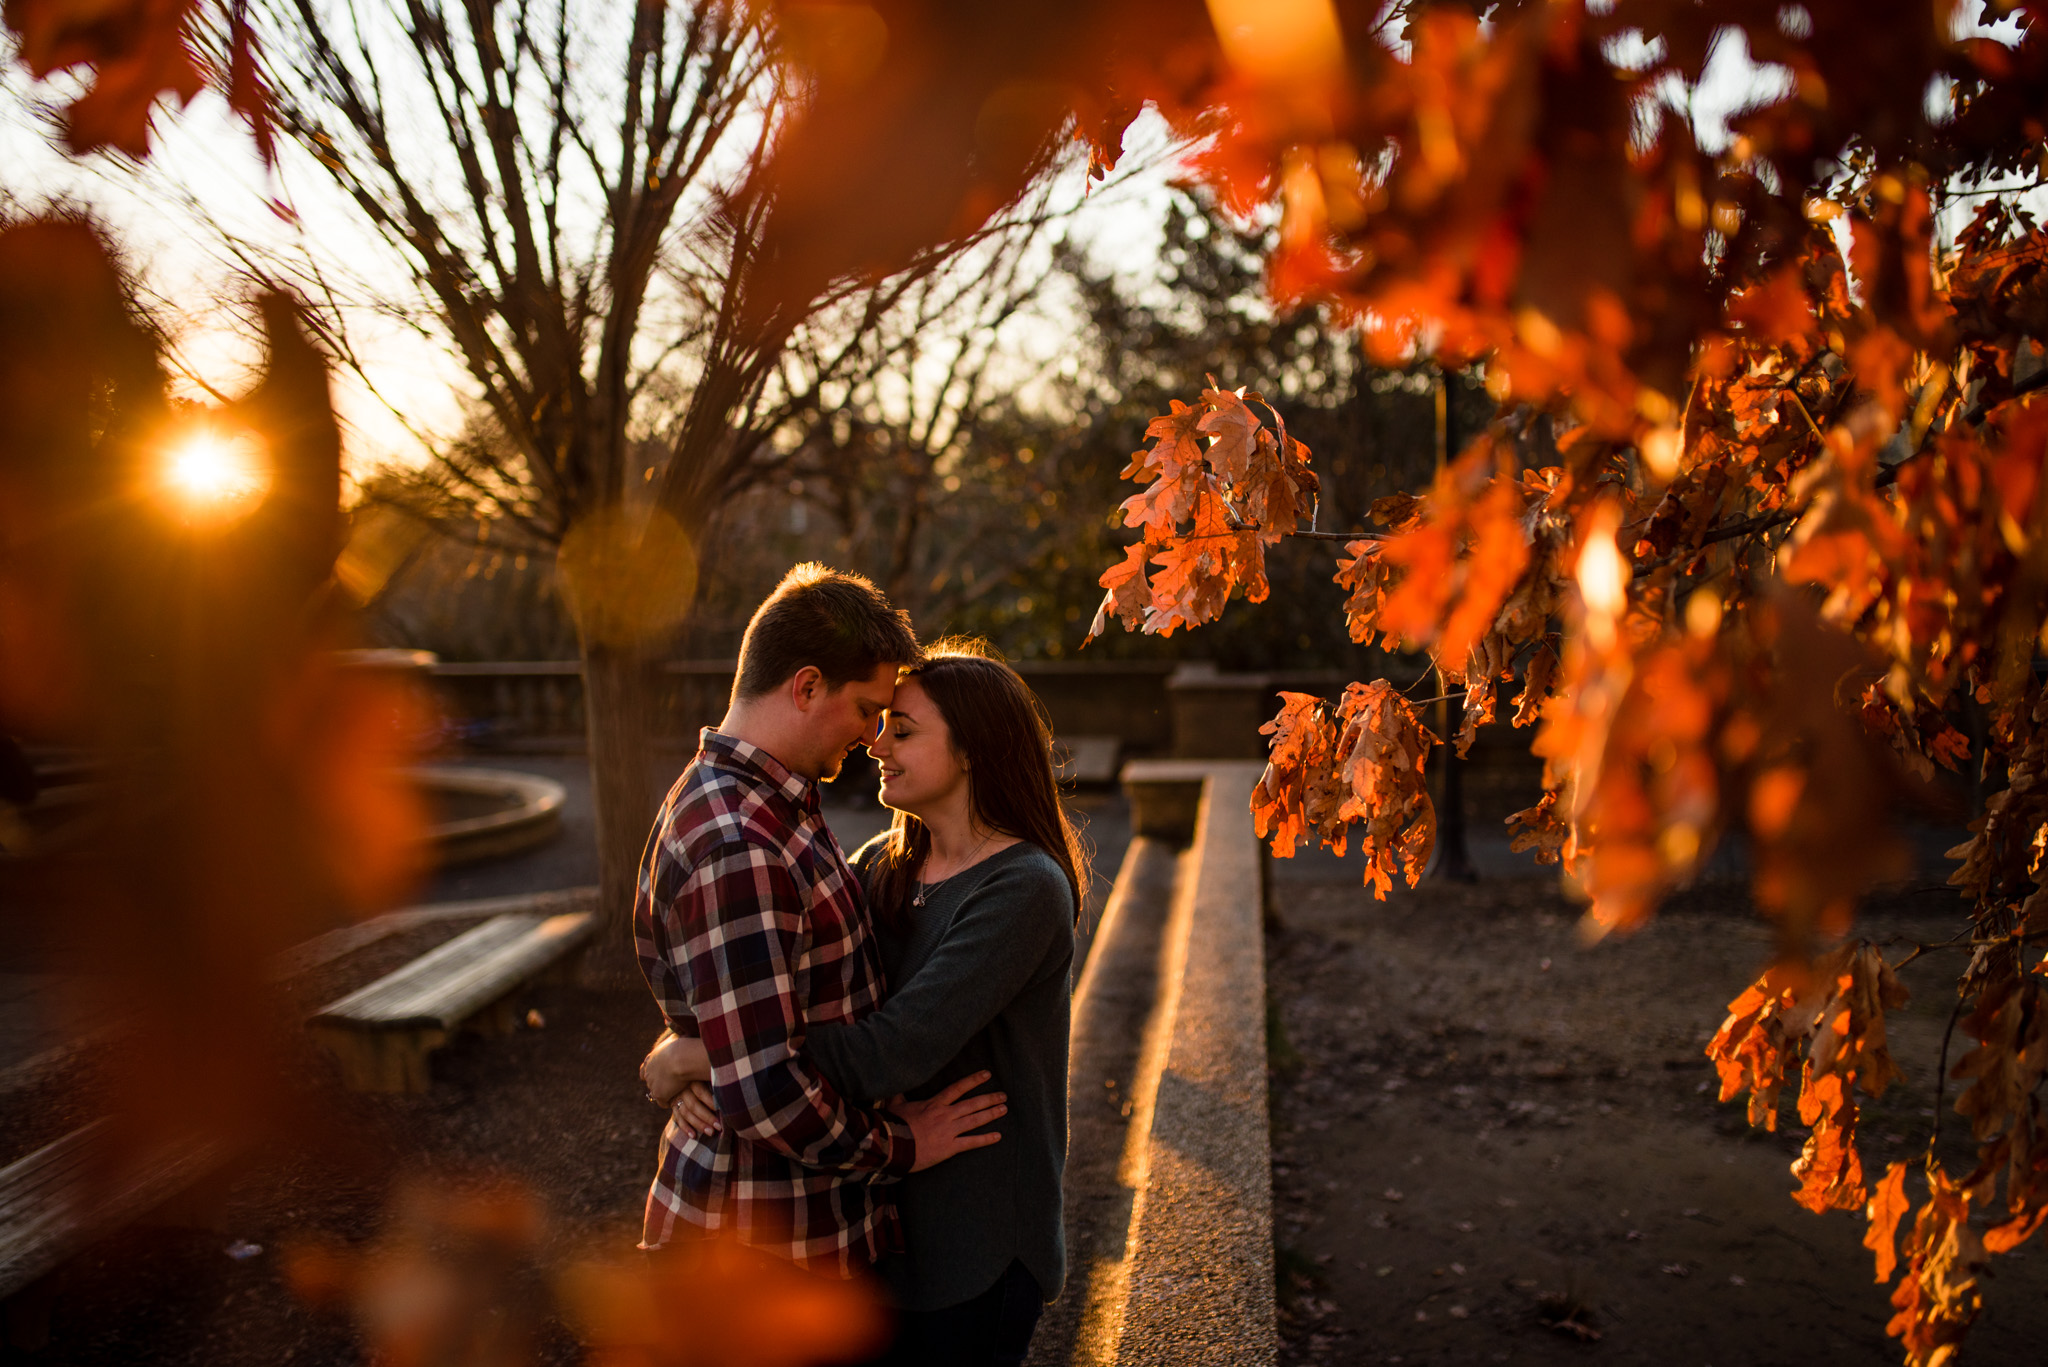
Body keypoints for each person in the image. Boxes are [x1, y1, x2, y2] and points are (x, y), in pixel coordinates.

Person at [648, 641, 1085, 1366]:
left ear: (973, 750)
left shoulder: (1023, 888)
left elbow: (890, 1049)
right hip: (875, 1221)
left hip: (975, 1240)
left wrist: (704, 1056)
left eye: (903, 730)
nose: (875, 743)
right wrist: (692, 1047)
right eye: (879, 723)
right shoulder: (885, 860)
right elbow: (772, 982)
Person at [633, 565, 1007, 1280]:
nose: (874, 736)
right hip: (761, 1247)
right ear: (806, 686)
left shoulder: (767, 806)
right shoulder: (739, 839)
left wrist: (687, 1052)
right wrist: (903, 1145)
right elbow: (767, 1087)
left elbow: (745, 1015)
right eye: (869, 708)